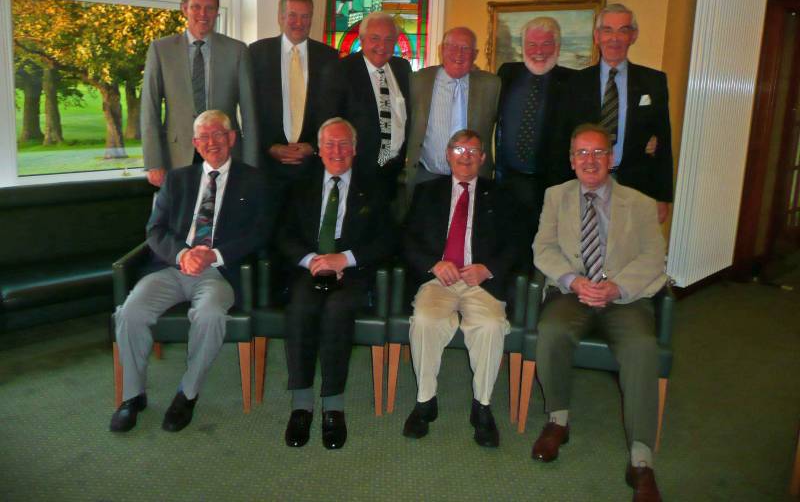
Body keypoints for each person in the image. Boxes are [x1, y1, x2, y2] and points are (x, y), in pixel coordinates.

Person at [531, 123, 666, 502]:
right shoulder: (555, 196)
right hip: (573, 292)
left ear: (612, 158)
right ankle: (558, 420)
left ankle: (641, 460)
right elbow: (543, 249)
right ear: (572, 161)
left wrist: (616, 286)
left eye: (598, 153)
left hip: (624, 297)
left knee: (642, 347)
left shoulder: (639, 203)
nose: (590, 161)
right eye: (582, 154)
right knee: (552, 331)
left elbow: (654, 256)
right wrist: (574, 281)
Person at [110, 110, 269, 433]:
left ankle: (187, 393)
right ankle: (133, 396)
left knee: (210, 315)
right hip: (171, 268)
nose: (213, 143)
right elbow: (155, 231)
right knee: (130, 312)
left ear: (231, 139)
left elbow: (259, 232)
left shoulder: (254, 180)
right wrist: (183, 253)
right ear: (196, 144)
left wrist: (213, 254)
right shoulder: (177, 179)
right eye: (205, 138)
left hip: (219, 272)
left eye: (219, 135)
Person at [278, 118, 395, 450]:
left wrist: (345, 259)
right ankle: (301, 404)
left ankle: (333, 406)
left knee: (337, 310)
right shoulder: (301, 184)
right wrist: (312, 261)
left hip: (351, 270)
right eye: (330, 144)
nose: (337, 151)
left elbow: (388, 239)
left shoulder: (374, 186)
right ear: (319, 150)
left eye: (344, 144)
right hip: (309, 267)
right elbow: (283, 235)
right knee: (301, 307)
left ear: (355, 150)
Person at [402, 130, 517, 448]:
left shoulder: (502, 194)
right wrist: (433, 263)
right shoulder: (426, 192)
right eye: (458, 148)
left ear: (482, 158)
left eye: (473, 150)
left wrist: (488, 268)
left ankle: (482, 407)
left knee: (491, 325)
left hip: (480, 283)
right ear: (448, 154)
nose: (465, 155)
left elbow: (515, 244)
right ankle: (425, 401)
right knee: (425, 321)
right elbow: (407, 239)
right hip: (439, 281)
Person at [141, 0, 258, 187]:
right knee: (182, 218)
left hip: (227, 154)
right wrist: (153, 162)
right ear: (184, 9)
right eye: (196, 7)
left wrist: (251, 165)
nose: (203, 14)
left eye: (209, 8)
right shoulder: (161, 50)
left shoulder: (237, 51)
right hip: (177, 157)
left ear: (217, 12)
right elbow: (149, 109)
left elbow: (250, 113)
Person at [566, 3, 673, 223]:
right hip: (584, 184)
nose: (614, 38)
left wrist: (662, 196)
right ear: (597, 36)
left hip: (636, 185)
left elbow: (663, 141)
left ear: (633, 36)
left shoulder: (654, 82)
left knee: (628, 250)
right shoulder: (575, 83)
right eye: (607, 30)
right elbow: (564, 139)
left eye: (623, 30)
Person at [495, 17, 576, 255]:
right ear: (523, 47)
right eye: (532, 44)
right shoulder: (507, 73)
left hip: (551, 185)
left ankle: (538, 290)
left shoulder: (574, 82)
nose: (538, 51)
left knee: (545, 249)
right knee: (507, 245)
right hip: (507, 180)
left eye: (546, 44)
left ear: (558, 46)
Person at [249, 0, 339, 198]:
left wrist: (314, 146)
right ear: (280, 18)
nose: (299, 22)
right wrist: (269, 147)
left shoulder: (329, 57)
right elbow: (248, 108)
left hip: (312, 168)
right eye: (292, 15)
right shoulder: (256, 54)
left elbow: (333, 109)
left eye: (305, 16)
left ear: (312, 19)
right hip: (268, 166)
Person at [405, 27, 500, 198]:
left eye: (466, 48)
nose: (459, 53)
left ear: (475, 54)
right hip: (426, 175)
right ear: (442, 50)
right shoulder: (418, 80)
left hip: (473, 177)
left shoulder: (492, 85)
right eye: (452, 46)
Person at [325, 12, 411, 199]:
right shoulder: (341, 70)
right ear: (362, 40)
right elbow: (330, 122)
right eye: (375, 38)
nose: (382, 46)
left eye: (389, 39)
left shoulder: (402, 68)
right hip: (356, 175)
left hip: (393, 173)